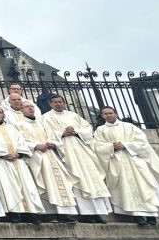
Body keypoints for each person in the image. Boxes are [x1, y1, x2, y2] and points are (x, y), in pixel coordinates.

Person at [92, 106, 159, 226]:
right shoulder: (100, 130)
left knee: (145, 187)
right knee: (126, 189)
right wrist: (111, 147)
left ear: (116, 113)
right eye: (105, 114)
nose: (108, 115)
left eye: (110, 113)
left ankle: (152, 215)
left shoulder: (129, 127)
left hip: (134, 161)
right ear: (102, 116)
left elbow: (143, 143)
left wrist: (125, 145)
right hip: (117, 162)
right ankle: (137, 216)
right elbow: (97, 146)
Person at [41, 95, 112, 223]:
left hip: (80, 149)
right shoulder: (46, 118)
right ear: (50, 104)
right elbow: (44, 134)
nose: (58, 104)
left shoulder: (73, 115)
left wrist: (76, 131)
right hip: (65, 151)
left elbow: (87, 129)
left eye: (60, 102)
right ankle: (84, 213)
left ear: (64, 103)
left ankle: (97, 213)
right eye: (55, 102)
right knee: (76, 180)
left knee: (91, 178)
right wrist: (61, 133)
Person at [14, 102, 80, 222]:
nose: (30, 108)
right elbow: (18, 142)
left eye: (31, 106)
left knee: (60, 184)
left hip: (50, 156)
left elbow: (54, 137)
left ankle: (65, 213)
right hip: (36, 158)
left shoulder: (42, 123)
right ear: (21, 110)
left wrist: (52, 143)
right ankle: (48, 214)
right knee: (43, 184)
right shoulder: (18, 125)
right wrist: (35, 145)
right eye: (27, 107)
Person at [0, 105, 43, 223]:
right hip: (0, 161)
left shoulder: (11, 127)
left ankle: (30, 213)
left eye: (0, 112)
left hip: (18, 160)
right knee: (8, 187)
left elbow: (21, 141)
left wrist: (19, 154)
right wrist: (3, 154)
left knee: (26, 186)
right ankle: (13, 213)